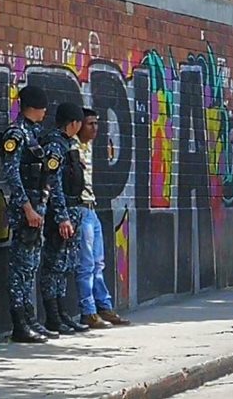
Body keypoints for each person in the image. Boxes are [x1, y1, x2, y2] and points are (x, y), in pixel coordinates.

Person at [35, 101, 91, 336]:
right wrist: (61, 217)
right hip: (61, 214)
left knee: (65, 265)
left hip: (71, 211)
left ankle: (62, 313)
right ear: (74, 123)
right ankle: (53, 317)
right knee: (53, 266)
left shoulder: (67, 144)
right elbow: (54, 184)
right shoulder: (55, 146)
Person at [0, 85, 51, 343]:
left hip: (37, 206)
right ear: (33, 106)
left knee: (31, 266)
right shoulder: (16, 134)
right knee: (20, 267)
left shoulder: (34, 133)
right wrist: (27, 207)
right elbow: (12, 174)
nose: (45, 112)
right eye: (42, 107)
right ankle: (19, 323)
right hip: (25, 209)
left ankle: (31, 318)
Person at [76, 107, 131, 328]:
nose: (95, 128)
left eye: (97, 123)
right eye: (90, 124)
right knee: (86, 263)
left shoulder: (88, 148)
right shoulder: (72, 148)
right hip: (80, 209)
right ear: (78, 125)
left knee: (98, 262)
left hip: (92, 208)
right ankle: (88, 311)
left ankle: (104, 307)